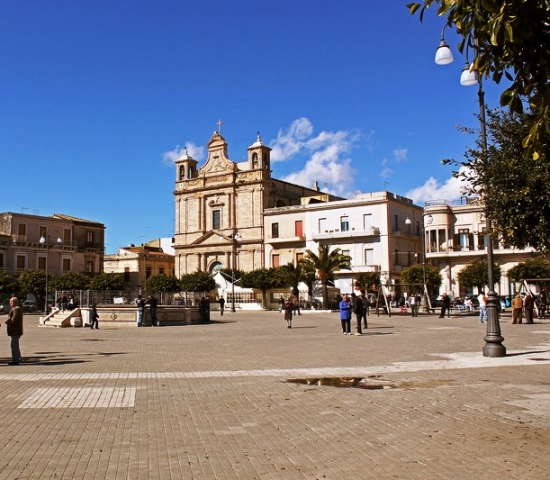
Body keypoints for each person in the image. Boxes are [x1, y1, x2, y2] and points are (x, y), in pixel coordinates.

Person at [5, 297, 23, 365]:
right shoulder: (15, 309)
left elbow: (14, 319)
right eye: (10, 302)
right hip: (15, 331)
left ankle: (15, 360)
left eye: (11, 302)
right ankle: (18, 358)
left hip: (15, 331)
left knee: (13, 345)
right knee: (15, 345)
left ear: (16, 302)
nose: (10, 303)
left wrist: (8, 322)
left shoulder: (16, 309)